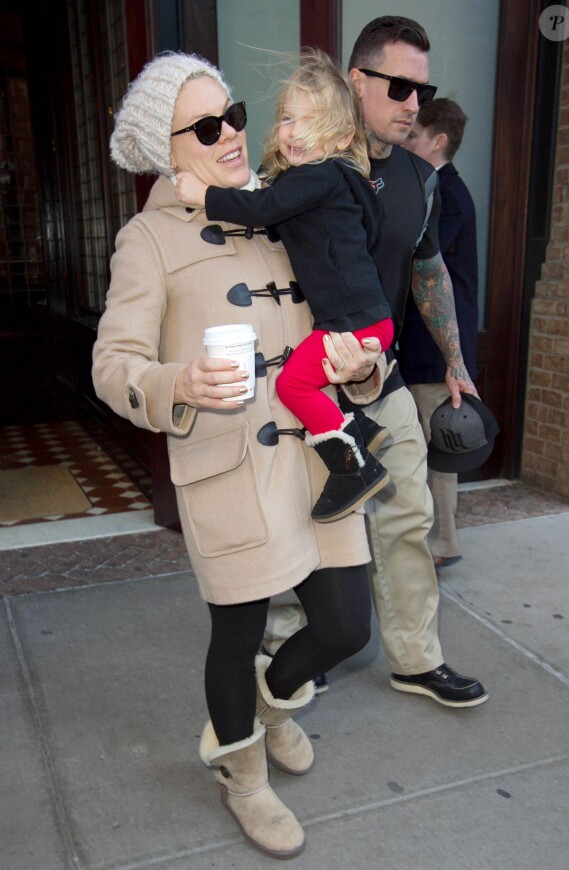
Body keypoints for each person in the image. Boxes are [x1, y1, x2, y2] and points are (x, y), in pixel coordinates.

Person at [92, 51, 386, 860]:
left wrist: (365, 367)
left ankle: (271, 707)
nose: (233, 134)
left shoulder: (284, 199)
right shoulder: (148, 239)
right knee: (239, 629)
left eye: (236, 113)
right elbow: (112, 365)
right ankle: (241, 774)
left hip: (317, 460)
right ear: (168, 146)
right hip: (231, 463)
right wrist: (177, 380)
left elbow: (349, 302)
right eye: (207, 125)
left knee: (344, 626)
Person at [265, 16, 489, 709]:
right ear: (356, 82)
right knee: (302, 514)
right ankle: (291, 643)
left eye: (422, 90)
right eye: (398, 86)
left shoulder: (421, 179)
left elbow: (429, 271)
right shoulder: (298, 164)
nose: (412, 104)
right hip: (305, 377)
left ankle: (415, 658)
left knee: (406, 515)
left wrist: (454, 358)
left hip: (379, 371)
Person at [174, 49, 393, 524]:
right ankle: (358, 426)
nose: (293, 132)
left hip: (354, 322)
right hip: (367, 317)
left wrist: (204, 195)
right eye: (288, 117)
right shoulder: (342, 182)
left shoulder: (316, 177)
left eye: (310, 122)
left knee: (293, 383)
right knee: (305, 379)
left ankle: (354, 466)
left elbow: (262, 209)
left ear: (342, 136)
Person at [399, 98, 479, 569]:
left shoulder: (447, 193)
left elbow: (424, 262)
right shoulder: (436, 189)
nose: (407, 141)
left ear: (438, 140)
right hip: (426, 344)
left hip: (435, 348)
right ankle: (434, 538)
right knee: (427, 444)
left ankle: (443, 541)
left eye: (415, 135)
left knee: (438, 445)